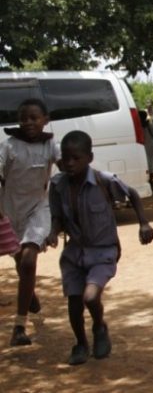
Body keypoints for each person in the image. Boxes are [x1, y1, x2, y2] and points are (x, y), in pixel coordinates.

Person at [46, 130, 153, 365]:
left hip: (103, 251)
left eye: (76, 158)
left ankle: (99, 326)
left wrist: (144, 223)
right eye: (66, 158)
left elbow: (132, 194)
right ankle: (80, 343)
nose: (70, 163)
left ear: (89, 158)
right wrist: (53, 233)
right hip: (74, 253)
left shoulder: (103, 180)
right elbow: (58, 217)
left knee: (90, 296)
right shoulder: (57, 185)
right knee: (74, 302)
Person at [1, 99, 60, 347]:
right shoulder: (9, 146)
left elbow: (66, 166)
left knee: (27, 261)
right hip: (9, 211)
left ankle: (19, 325)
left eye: (34, 118)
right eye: (24, 118)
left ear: (45, 120)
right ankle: (31, 297)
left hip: (38, 209)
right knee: (20, 261)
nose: (28, 122)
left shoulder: (50, 145)